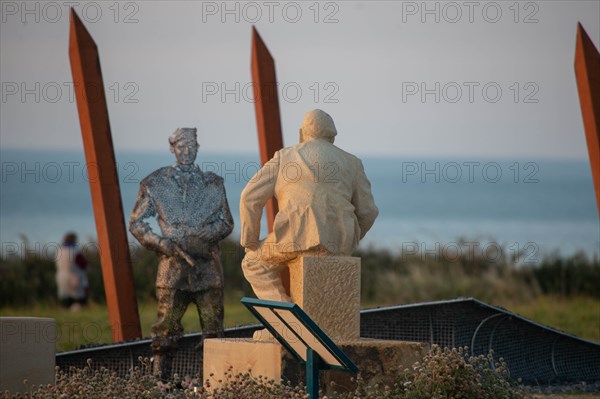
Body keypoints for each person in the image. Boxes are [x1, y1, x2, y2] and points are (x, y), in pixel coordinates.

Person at [240, 109, 379, 302]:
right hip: (338, 242)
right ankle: (294, 323)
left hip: (294, 238)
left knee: (253, 262)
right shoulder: (352, 162)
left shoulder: (284, 157)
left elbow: (249, 198)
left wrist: (250, 240)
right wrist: (349, 241)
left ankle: (288, 322)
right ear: (332, 137)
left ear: (301, 134)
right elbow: (368, 212)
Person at [129, 127, 233, 381]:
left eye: (191, 146)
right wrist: (160, 243)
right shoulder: (155, 183)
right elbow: (137, 223)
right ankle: (160, 382)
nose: (186, 152)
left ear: (198, 149)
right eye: (181, 146)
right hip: (172, 270)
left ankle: (214, 382)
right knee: (165, 328)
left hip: (207, 269)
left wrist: (209, 233)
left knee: (212, 329)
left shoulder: (214, 183)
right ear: (172, 149)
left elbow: (227, 222)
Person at [55, 232, 89, 311]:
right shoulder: (76, 251)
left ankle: (66, 315)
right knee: (78, 299)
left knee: (65, 299)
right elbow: (84, 265)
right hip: (74, 277)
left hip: (61, 277)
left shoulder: (59, 251)